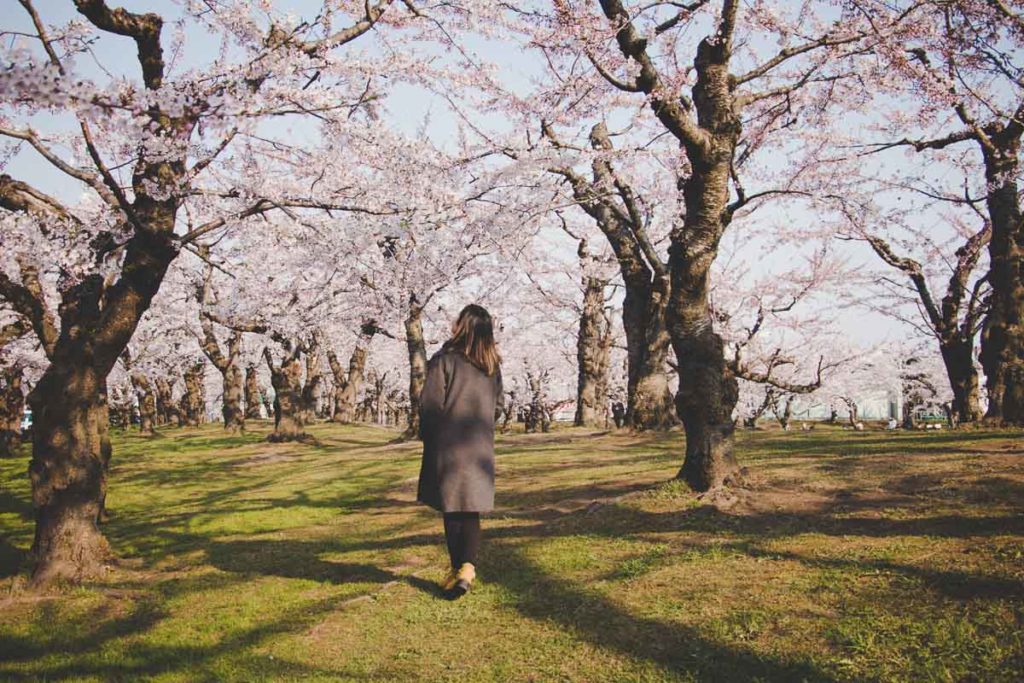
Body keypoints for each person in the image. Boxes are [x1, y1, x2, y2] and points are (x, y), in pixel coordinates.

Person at [417, 304, 503, 599]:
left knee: (453, 509)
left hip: (449, 445)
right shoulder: (492, 367)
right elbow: (499, 407)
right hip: (479, 448)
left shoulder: (445, 360)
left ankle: (460, 569)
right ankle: (464, 569)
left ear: (462, 326)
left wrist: (428, 436)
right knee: (470, 509)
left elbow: (430, 405)